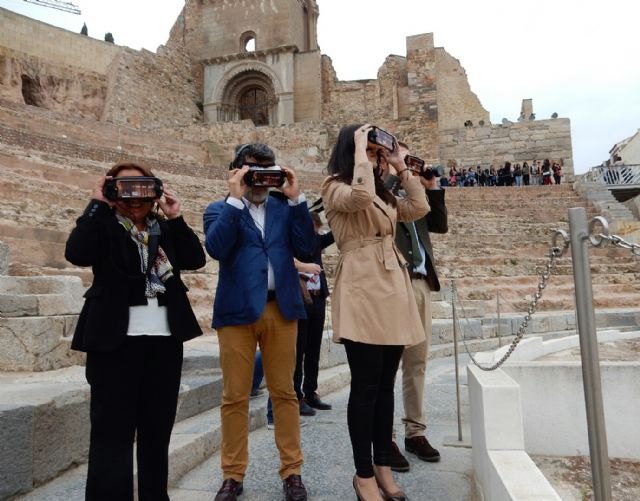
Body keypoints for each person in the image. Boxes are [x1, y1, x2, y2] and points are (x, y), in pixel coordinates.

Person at [64, 161, 206, 501]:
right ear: (113, 191)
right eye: (124, 188)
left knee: (157, 433)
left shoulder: (165, 229)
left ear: (155, 191)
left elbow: (194, 258)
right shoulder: (103, 225)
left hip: (163, 344)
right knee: (111, 434)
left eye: (142, 188)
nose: (134, 197)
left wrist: (176, 216)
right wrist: (97, 203)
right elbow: (77, 253)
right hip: (113, 343)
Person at [321, 124, 428, 501]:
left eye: (379, 153)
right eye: (372, 151)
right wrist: (360, 154)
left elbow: (419, 207)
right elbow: (359, 197)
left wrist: (402, 166)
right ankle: (363, 474)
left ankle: (383, 464)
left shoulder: (385, 191)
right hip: (363, 287)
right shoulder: (334, 186)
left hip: (392, 287)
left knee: (384, 387)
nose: (377, 158)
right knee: (365, 387)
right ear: (352, 150)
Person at [203, 143, 315, 501]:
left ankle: (292, 472)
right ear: (237, 171)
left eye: (268, 171)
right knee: (234, 397)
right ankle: (232, 475)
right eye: (254, 171)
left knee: (284, 393)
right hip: (237, 312)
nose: (261, 179)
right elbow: (217, 248)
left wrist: (296, 200)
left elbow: (307, 246)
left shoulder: (284, 208)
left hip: (281, 309)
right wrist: (236, 200)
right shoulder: (220, 209)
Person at [383, 143, 448, 473]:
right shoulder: (382, 186)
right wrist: (398, 174)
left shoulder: (415, 190)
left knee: (417, 361)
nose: (406, 164)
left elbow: (438, 225)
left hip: (421, 283)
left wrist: (432, 188)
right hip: (394, 283)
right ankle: (386, 437)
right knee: (388, 363)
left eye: (408, 158)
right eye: (399, 157)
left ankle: (415, 432)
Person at [293, 211, 335, 414]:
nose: (315, 232)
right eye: (312, 228)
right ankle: (296, 396)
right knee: (298, 349)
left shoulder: (318, 240)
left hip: (317, 298)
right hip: (300, 299)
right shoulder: (292, 241)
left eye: (316, 228)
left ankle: (311, 391)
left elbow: (336, 233)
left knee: (313, 349)